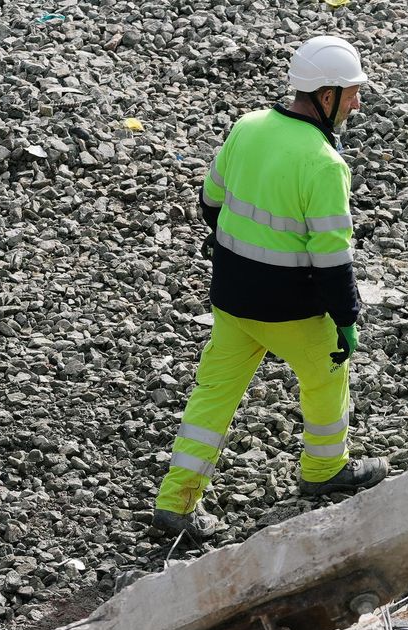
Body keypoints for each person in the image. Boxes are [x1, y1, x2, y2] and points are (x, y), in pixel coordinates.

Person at [151, 36, 388, 539]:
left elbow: (209, 203)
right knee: (327, 375)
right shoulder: (323, 163)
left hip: (233, 301)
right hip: (292, 313)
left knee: (213, 394)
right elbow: (331, 257)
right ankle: (324, 471)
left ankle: (176, 502)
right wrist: (345, 320)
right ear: (325, 97)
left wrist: (243, 261)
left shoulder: (247, 127)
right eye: (351, 93)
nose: (357, 102)